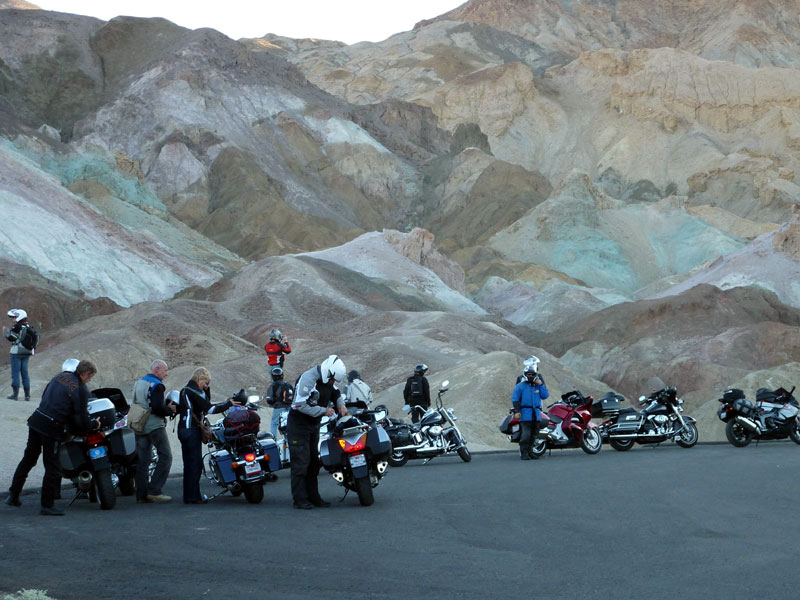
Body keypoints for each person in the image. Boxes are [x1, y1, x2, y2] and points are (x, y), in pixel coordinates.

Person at [5, 360, 99, 515]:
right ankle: (47, 505)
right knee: (52, 466)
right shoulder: (81, 389)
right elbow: (80, 418)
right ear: (86, 374)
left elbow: (46, 396)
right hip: (51, 427)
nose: (89, 380)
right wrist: (94, 425)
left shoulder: (60, 376)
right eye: (90, 377)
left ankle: (13, 495)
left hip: (36, 419)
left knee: (28, 459)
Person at [287, 354, 344, 509]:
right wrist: (323, 410)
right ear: (328, 373)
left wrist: (340, 404)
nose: (333, 383)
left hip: (313, 426)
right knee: (301, 462)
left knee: (314, 462)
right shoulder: (308, 378)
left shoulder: (328, 381)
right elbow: (299, 405)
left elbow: (336, 393)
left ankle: (314, 496)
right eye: (333, 379)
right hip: (299, 425)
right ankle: (299, 499)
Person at [177, 367, 240, 504]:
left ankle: (189, 496)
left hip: (182, 430)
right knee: (196, 464)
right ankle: (194, 497)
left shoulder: (185, 390)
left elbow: (202, 404)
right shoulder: (194, 391)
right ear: (200, 379)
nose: (207, 386)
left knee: (188, 464)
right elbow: (209, 408)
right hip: (191, 430)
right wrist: (228, 403)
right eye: (206, 383)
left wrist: (206, 390)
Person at [131, 359, 176, 503]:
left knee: (143, 460)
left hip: (139, 426)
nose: (166, 374)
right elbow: (157, 407)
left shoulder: (139, 382)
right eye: (165, 370)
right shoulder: (157, 385)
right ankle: (155, 490)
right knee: (166, 456)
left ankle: (141, 495)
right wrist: (170, 410)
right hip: (154, 426)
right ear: (156, 369)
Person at [511, 362, 549, 460]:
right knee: (526, 435)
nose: (530, 376)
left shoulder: (537, 386)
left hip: (536, 413)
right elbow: (515, 399)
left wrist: (541, 385)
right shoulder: (520, 386)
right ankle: (524, 453)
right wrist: (517, 411)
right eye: (529, 374)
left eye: (532, 374)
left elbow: (545, 396)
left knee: (534, 434)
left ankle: (530, 452)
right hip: (525, 414)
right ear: (525, 374)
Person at [4, 309, 34, 401]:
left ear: (19, 316)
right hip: (27, 352)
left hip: (16, 353)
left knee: (15, 373)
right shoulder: (29, 326)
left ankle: (15, 394)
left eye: (15, 317)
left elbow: (11, 338)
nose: (13, 319)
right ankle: (27, 395)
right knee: (25, 373)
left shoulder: (17, 326)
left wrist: (5, 331)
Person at [265, 366, 294, 439]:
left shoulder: (273, 386)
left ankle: (274, 439)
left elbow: (269, 400)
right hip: (289, 408)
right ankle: (289, 439)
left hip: (278, 408)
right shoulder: (288, 385)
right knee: (289, 423)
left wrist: (273, 402)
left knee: (274, 424)